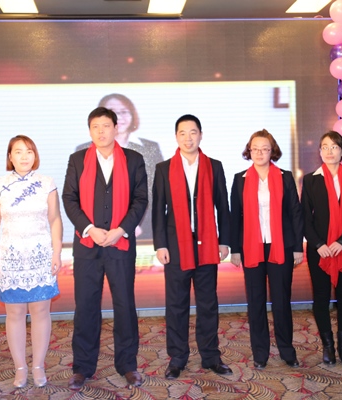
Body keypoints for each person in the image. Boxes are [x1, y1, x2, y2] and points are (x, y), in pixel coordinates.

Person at [62, 107, 148, 390]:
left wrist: (120, 230)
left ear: (116, 128)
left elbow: (140, 200)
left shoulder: (134, 159)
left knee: (125, 306)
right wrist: (89, 228)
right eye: (95, 127)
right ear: (90, 130)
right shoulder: (77, 160)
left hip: (120, 245)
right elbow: (69, 199)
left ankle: (128, 365)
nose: (101, 131)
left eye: (106, 126)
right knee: (86, 307)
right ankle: (82, 367)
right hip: (88, 247)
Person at [152, 114, 232, 379]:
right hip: (176, 246)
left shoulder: (214, 166)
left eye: (193, 132)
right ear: (176, 137)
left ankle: (211, 356)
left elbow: (223, 206)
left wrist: (224, 241)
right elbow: (158, 210)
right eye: (183, 133)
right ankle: (177, 358)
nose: (188, 138)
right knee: (177, 304)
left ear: (201, 135)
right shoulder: (163, 168)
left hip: (207, 244)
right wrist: (160, 245)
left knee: (208, 303)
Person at [0, 135, 63, 388]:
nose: (24, 156)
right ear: (10, 156)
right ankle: (20, 368)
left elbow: (55, 219)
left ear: (35, 155)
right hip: (11, 258)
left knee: (41, 311)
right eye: (18, 152)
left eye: (29, 151)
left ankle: (38, 365)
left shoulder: (46, 183)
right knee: (15, 313)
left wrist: (56, 252)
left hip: (41, 256)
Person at [229, 129, 304, 370]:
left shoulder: (285, 177)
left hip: (281, 245)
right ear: (248, 151)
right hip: (251, 247)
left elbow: (295, 214)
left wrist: (297, 247)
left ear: (273, 151)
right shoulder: (240, 179)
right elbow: (234, 217)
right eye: (255, 149)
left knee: (281, 301)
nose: (260, 153)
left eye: (265, 149)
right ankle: (260, 353)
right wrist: (235, 249)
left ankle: (287, 351)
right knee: (256, 302)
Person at [301, 130, 342, 366]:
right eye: (325, 147)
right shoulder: (311, 180)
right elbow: (305, 218)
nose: (329, 151)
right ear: (320, 152)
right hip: (320, 251)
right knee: (321, 298)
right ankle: (328, 347)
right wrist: (319, 244)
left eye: (334, 147)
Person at [76, 93, 163, 239]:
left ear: (132, 115)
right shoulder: (83, 150)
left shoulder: (150, 148)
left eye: (124, 112)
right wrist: (94, 228)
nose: (119, 117)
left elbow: (155, 191)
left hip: (142, 230)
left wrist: (134, 224)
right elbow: (79, 196)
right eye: (112, 112)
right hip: (98, 232)